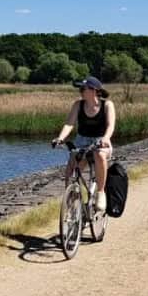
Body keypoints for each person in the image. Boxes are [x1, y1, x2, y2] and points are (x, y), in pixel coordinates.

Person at [51, 75, 116, 213]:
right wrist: (60, 138)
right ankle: (72, 201)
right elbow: (69, 123)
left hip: (101, 141)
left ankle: (100, 192)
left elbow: (110, 126)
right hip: (82, 140)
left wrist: (105, 138)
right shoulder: (78, 105)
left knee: (99, 155)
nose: (80, 91)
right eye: (80, 88)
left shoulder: (107, 105)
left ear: (93, 90)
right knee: (71, 169)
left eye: (83, 88)